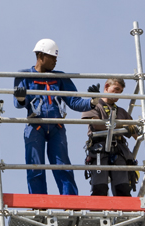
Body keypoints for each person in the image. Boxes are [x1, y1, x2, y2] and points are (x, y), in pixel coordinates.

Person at [13, 39, 98, 195]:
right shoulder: (24, 75)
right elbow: (18, 104)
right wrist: (20, 98)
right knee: (35, 167)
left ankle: (70, 202)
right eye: (52, 57)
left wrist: (93, 102)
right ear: (40, 55)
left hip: (56, 127)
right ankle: (39, 204)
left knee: (62, 166)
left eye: (56, 57)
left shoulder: (60, 78)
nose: (55, 61)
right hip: (34, 125)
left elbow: (74, 101)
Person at [81, 79, 139, 196]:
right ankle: (97, 213)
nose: (118, 94)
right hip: (99, 149)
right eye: (116, 89)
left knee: (122, 189)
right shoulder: (94, 105)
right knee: (100, 188)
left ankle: (125, 213)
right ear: (106, 86)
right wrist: (123, 125)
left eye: (120, 92)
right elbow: (96, 124)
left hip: (119, 151)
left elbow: (137, 133)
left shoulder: (121, 112)